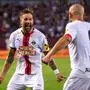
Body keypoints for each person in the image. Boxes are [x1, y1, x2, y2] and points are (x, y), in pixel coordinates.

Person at [0, 9, 64, 90]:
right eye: (25, 19)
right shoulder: (14, 35)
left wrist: (57, 73)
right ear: (21, 21)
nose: (28, 21)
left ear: (33, 21)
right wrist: (2, 75)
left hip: (36, 75)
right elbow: (10, 58)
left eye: (30, 19)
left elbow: (48, 55)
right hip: (19, 74)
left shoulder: (41, 37)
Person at [42, 4, 90, 90]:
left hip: (81, 72)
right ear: (83, 14)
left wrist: (48, 55)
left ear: (70, 15)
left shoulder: (73, 25)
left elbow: (66, 39)